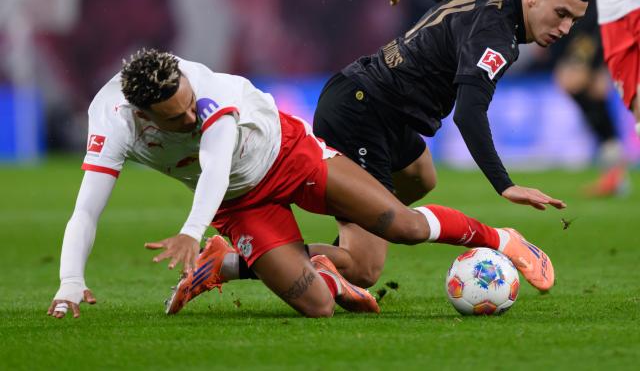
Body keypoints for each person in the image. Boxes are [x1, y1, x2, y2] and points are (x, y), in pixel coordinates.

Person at [48, 49, 558, 319]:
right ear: (141, 116)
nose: (189, 115)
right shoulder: (110, 122)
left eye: (188, 102)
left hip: (291, 154)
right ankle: (230, 263)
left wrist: (190, 228)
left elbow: (216, 159)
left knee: (399, 226)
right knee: (318, 308)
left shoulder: (206, 91)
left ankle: (502, 239)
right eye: (174, 117)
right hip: (241, 203)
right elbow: (86, 209)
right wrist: (70, 283)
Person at [309, 0, 589, 288]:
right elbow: (469, 113)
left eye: (574, 19)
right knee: (364, 270)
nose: (566, 29)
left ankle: (349, 240)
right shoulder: (495, 37)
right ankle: (251, 262)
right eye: (561, 14)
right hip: (360, 115)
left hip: (378, 106)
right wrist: (505, 184)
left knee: (419, 175)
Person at [533, 0, 636, 197]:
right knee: (594, 87)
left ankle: (614, 160)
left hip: (612, 10)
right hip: (583, 15)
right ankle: (615, 170)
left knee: (572, 80)